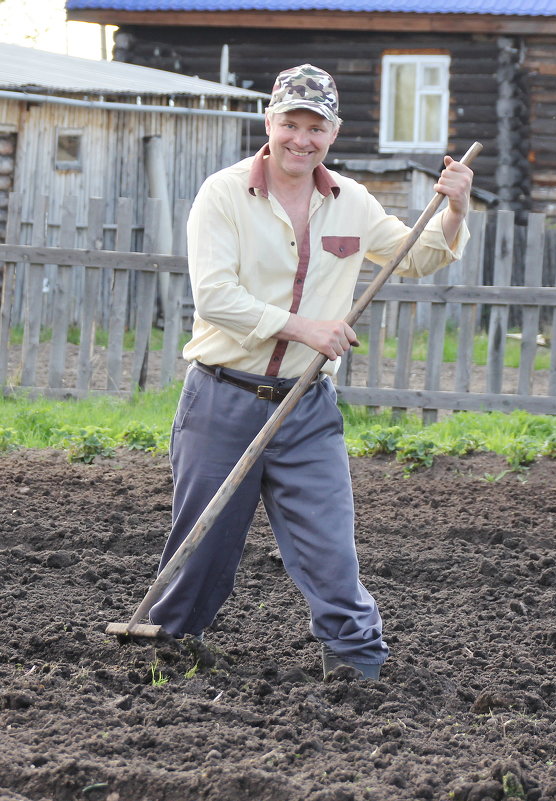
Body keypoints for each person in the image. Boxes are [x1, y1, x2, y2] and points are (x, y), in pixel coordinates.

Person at [149, 64, 473, 679]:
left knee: (330, 545)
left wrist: (454, 208)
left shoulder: (350, 200)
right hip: (224, 399)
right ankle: (170, 647)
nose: (302, 138)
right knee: (204, 543)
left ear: (334, 132)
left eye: (315, 126)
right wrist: (306, 328)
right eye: (290, 123)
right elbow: (214, 297)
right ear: (269, 122)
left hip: (306, 407)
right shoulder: (222, 194)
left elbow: (417, 255)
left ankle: (357, 665)